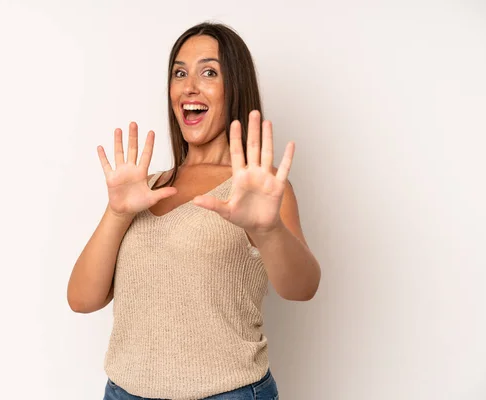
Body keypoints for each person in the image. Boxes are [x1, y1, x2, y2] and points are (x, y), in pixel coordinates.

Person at [67, 22, 321, 400]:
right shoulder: (143, 188)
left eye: (209, 72)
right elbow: (82, 300)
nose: (189, 86)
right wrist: (117, 213)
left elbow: (302, 288)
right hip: (124, 392)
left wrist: (267, 231)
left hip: (226, 394)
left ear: (235, 88)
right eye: (180, 72)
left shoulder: (257, 188)